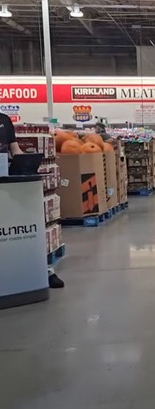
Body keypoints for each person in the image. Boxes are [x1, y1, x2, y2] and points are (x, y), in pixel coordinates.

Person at [0, 112, 64, 289]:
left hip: (7, 180)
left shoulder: (4, 120)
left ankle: (40, 270)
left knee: (21, 227)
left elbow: (14, 149)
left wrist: (26, 163)